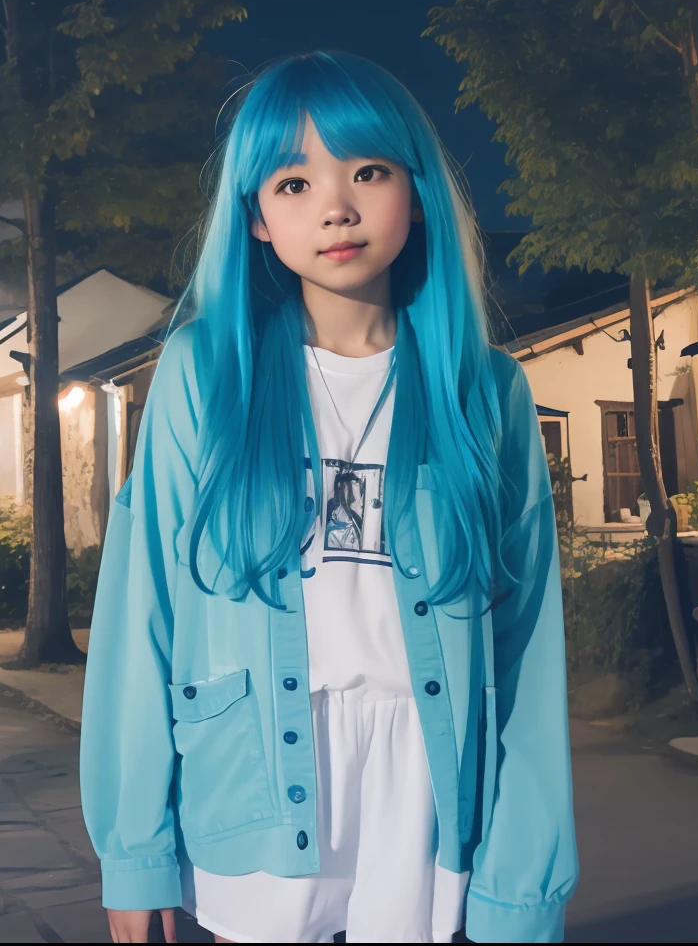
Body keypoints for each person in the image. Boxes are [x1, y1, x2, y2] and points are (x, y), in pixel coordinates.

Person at [80, 52, 576, 944]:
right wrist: (134, 846)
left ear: (416, 194)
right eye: (294, 181)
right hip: (256, 773)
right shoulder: (206, 373)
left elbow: (527, 644)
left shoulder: (483, 391)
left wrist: (523, 882)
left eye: (369, 172)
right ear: (259, 221)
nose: (336, 207)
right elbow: (140, 607)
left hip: (426, 785)